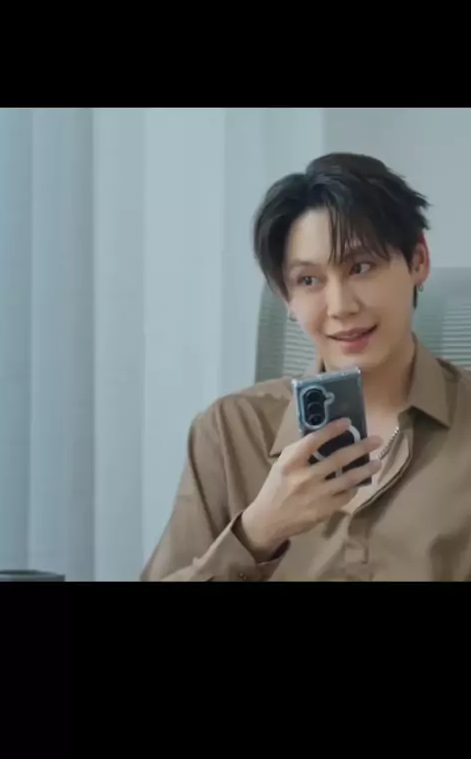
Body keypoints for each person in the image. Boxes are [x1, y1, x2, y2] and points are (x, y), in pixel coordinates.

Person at [141, 152, 471, 582]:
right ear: (286, 296)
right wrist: (257, 532)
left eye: (361, 267)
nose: (340, 306)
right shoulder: (228, 432)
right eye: (309, 280)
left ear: (418, 261)